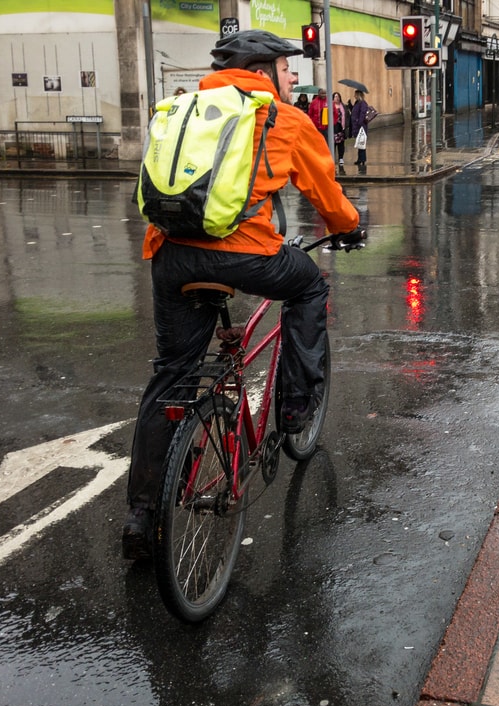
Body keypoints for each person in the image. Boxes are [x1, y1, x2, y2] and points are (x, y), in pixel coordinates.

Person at [122, 30, 362, 560]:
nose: (292, 77)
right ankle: (298, 404)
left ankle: (142, 515)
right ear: (262, 70)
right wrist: (349, 226)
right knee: (308, 286)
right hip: (244, 252)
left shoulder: (184, 107)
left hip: (170, 255)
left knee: (172, 376)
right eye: (286, 67)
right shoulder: (282, 118)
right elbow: (327, 194)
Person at [349, 89, 370, 168]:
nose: (354, 96)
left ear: (359, 95)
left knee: (361, 143)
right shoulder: (357, 103)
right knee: (359, 143)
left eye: (355, 95)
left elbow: (362, 114)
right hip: (356, 126)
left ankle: (362, 159)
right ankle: (360, 159)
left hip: (361, 127)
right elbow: (355, 112)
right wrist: (350, 105)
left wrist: (359, 123)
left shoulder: (363, 104)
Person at [331, 91, 348, 166]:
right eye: (335, 96)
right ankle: (332, 158)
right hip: (333, 127)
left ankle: (341, 158)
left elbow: (347, 116)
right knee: (333, 144)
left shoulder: (343, 106)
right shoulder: (330, 106)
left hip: (341, 127)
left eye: (338, 96)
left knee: (341, 144)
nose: (337, 98)